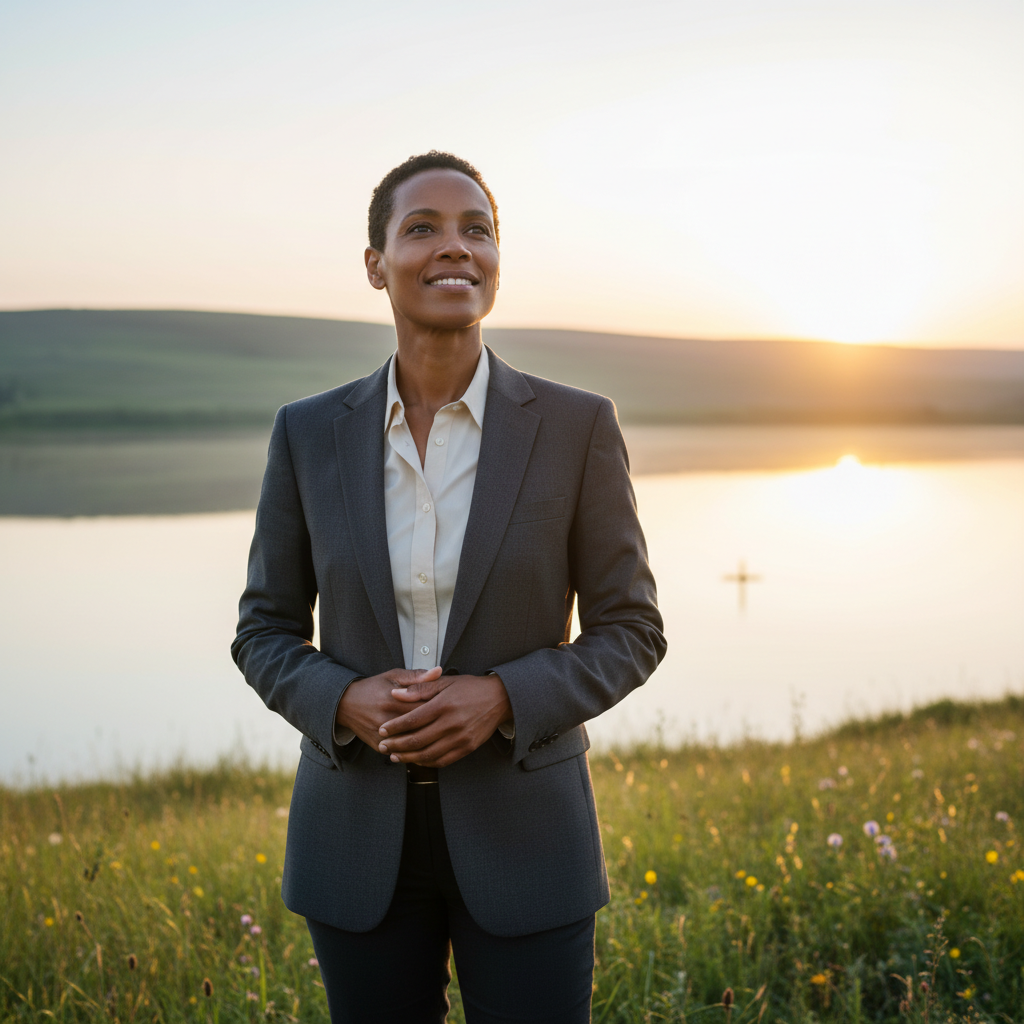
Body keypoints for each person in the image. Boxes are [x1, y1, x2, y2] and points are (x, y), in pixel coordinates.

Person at [232, 150, 666, 1023]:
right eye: (422, 229)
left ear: (498, 263)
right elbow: (265, 631)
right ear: (375, 265)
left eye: (478, 231)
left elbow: (632, 629)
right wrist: (343, 697)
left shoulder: (577, 427)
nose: (455, 249)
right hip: (353, 842)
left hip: (529, 834)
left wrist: (503, 697)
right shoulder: (309, 433)